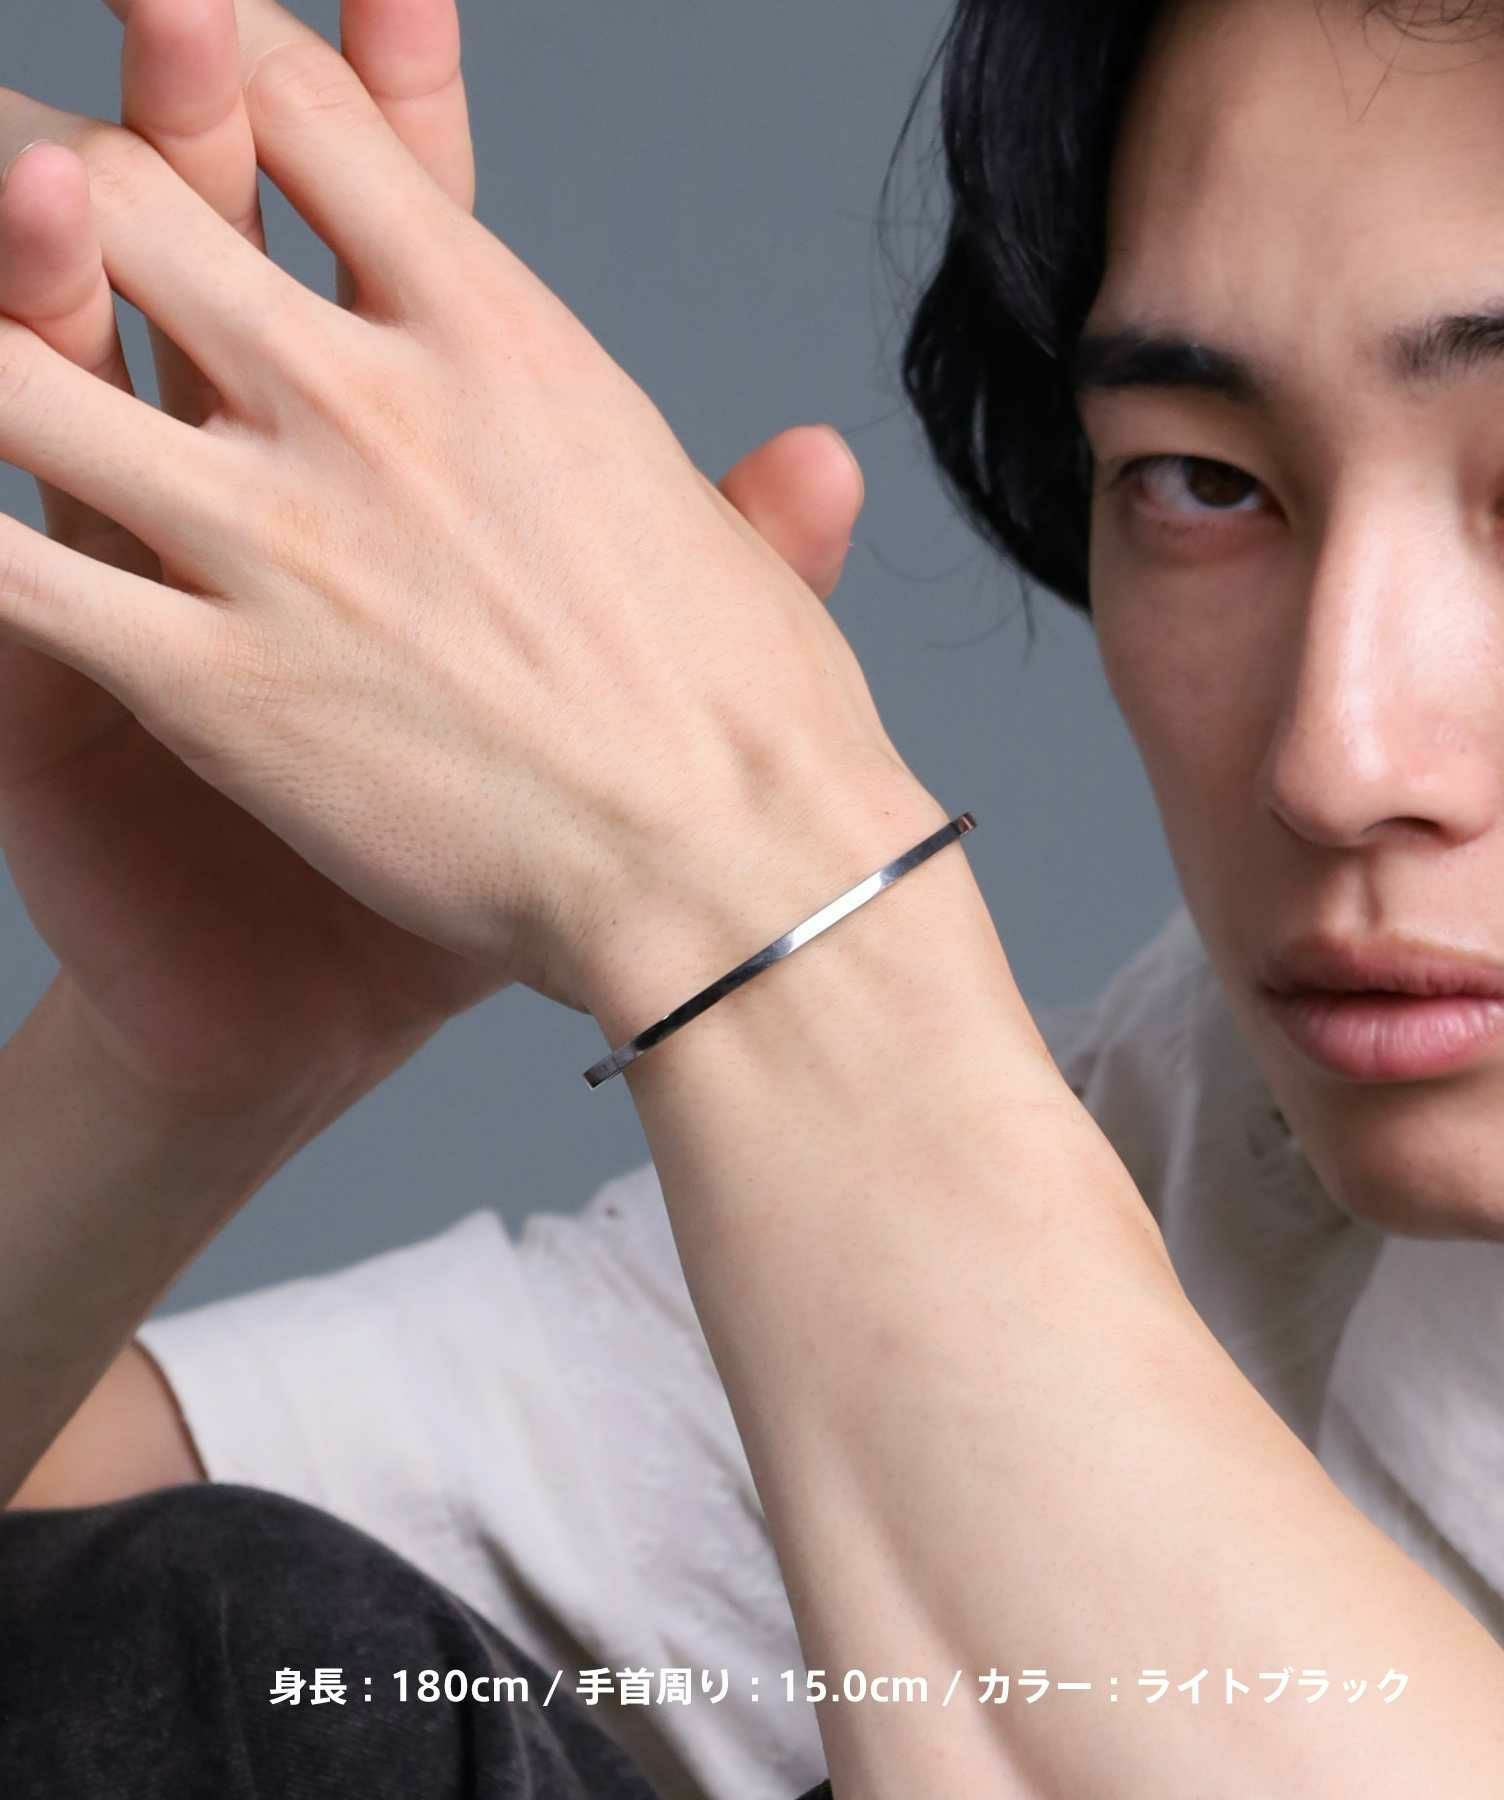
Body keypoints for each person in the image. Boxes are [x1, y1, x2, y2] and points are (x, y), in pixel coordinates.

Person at [4, 0, 1504, 1794]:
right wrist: (171, 1074)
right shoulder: (1199, 1149)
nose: (1337, 758)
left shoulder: (903, 1103)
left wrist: (757, 866)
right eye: (1202, 480)